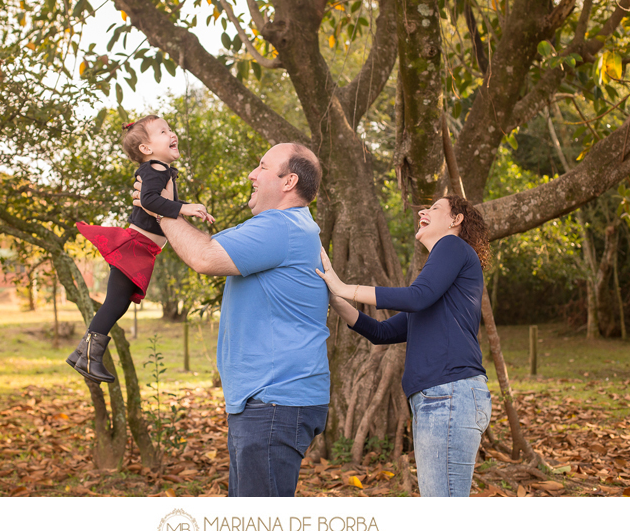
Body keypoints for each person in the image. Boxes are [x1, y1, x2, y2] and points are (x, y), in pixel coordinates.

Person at [133, 143, 329, 497]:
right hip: (267, 398)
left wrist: (157, 209)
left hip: (274, 398)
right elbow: (200, 244)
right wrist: (165, 208)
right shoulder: (278, 227)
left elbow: (204, 258)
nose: (252, 175)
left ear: (289, 182)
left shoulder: (279, 228)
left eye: (262, 166)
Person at [315, 194, 492, 497]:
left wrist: (346, 286)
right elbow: (382, 332)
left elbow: (416, 296)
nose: (423, 210)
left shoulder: (452, 246)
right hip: (439, 398)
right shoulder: (441, 284)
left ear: (455, 220)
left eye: (435, 208)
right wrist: (335, 298)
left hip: (449, 394)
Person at [67, 114, 214, 383]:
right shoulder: (154, 169)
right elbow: (149, 201)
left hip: (140, 248)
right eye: (162, 132)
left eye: (170, 129)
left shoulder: (161, 170)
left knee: (118, 303)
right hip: (135, 247)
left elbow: (157, 201)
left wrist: (183, 208)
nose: (172, 134)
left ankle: (82, 354)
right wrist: (184, 208)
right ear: (146, 149)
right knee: (115, 303)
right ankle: (88, 357)